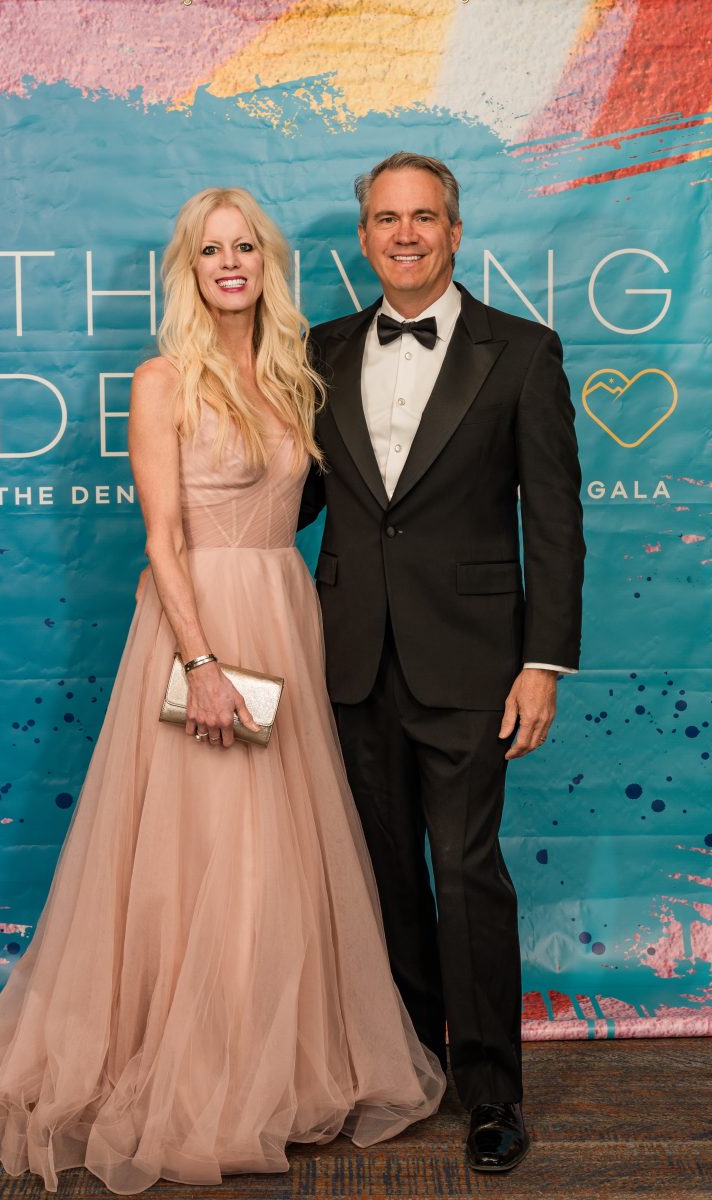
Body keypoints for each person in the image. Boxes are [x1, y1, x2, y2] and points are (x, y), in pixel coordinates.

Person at [0, 187, 445, 1194]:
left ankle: (272, 1068)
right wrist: (199, 666)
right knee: (206, 849)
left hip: (283, 616)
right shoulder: (162, 380)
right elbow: (160, 540)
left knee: (278, 853)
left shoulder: (294, 376)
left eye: (245, 246)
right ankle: (197, 1078)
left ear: (266, 264)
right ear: (188, 270)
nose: (230, 262)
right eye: (210, 250)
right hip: (200, 623)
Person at [299, 151, 585, 1173]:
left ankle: (491, 1092)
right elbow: (289, 495)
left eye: (424, 217)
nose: (405, 234)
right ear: (364, 237)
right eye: (387, 219)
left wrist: (543, 662)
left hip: (472, 662)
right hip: (348, 658)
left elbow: (554, 520)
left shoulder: (522, 351)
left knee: (464, 873)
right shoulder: (319, 349)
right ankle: (410, 1064)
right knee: (382, 875)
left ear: (455, 232)